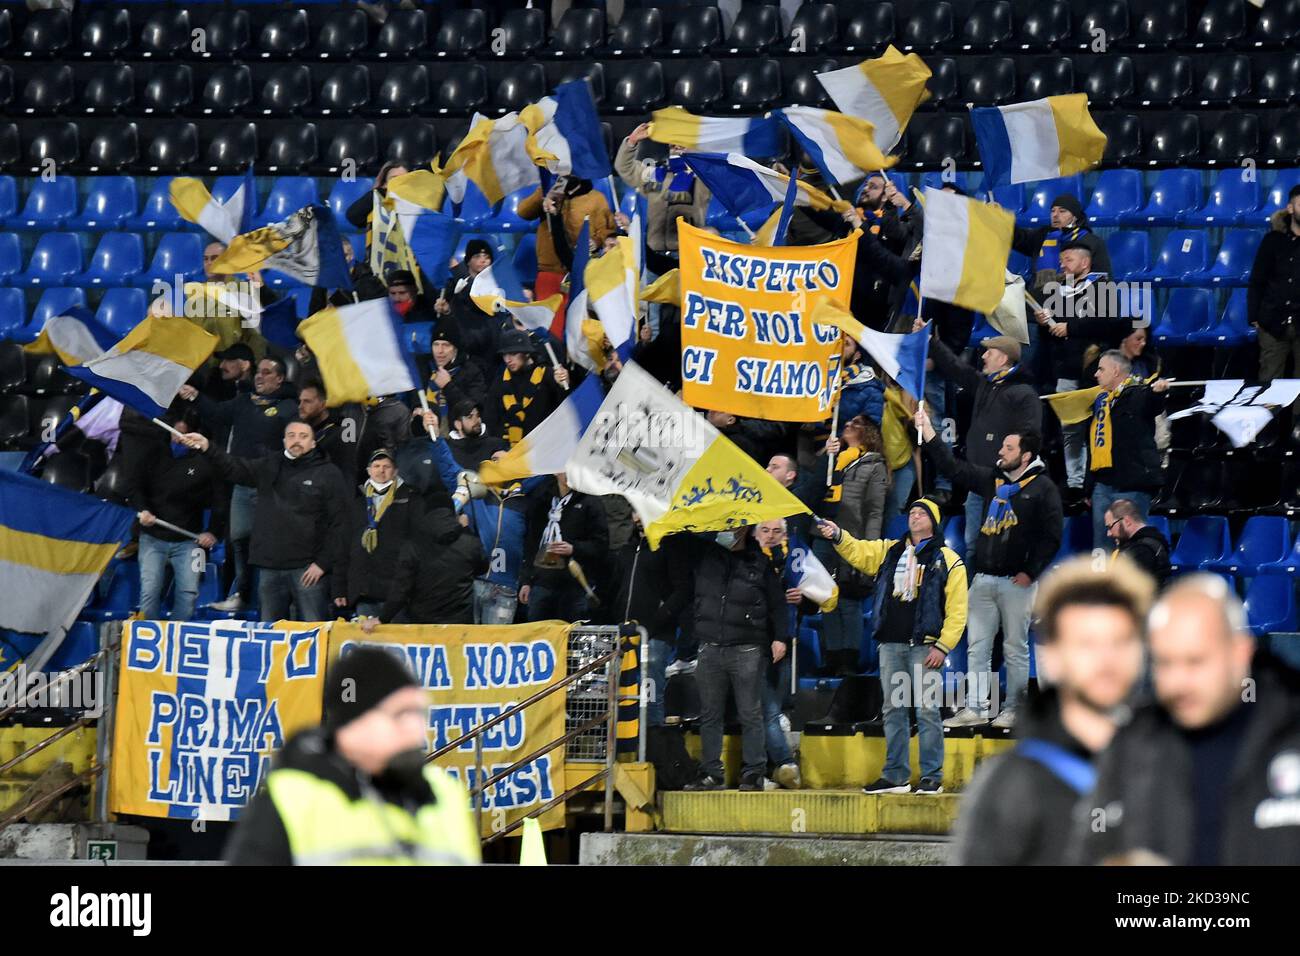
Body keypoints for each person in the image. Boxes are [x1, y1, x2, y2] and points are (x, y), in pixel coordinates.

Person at [1072, 575, 1300, 865]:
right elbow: (1089, 851)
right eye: (1165, 663)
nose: (1178, 683)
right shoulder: (1131, 746)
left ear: (1240, 653)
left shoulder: (1290, 732)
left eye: (1195, 661)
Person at [954, 554, 1154, 865]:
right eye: (1087, 643)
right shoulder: (1010, 786)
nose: (1106, 659)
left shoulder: (1170, 766)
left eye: (1120, 641)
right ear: (1053, 657)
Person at [225, 646, 480, 866]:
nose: (417, 729)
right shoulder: (292, 798)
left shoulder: (444, 792)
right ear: (354, 724)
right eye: (401, 714)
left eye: (420, 713)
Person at [917, 407, 1063, 730]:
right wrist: (928, 432)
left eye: (1009, 448)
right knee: (977, 647)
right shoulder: (991, 479)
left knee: (1015, 648)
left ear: (1025, 456)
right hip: (983, 578)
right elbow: (953, 469)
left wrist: (1030, 571)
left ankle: (1015, 709)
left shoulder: (1043, 488)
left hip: (1017, 582)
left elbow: (1052, 537)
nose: (1001, 451)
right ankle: (977, 708)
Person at [819, 498, 968, 794]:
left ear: (934, 521)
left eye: (921, 513)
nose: (914, 516)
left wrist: (943, 646)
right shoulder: (890, 550)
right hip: (890, 644)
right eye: (911, 512)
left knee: (927, 710)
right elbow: (860, 552)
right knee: (893, 709)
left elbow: (958, 609)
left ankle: (931, 776)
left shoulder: (948, 559)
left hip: (925, 647)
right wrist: (838, 535)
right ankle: (896, 775)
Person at [180, 420, 350, 622]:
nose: (297, 441)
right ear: (284, 440)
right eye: (292, 435)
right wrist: (208, 447)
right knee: (270, 637)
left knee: (314, 634)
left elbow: (341, 523)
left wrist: (323, 563)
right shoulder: (269, 464)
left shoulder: (329, 473)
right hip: (269, 569)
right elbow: (234, 468)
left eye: (303, 436)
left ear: (313, 443)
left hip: (307, 570)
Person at [181, 354, 299, 613]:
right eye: (258, 372)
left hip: (272, 486)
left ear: (280, 379)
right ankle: (243, 594)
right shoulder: (244, 401)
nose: (259, 375)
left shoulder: (289, 407)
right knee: (239, 539)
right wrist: (195, 396)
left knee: (271, 543)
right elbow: (216, 413)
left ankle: (281, 600)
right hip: (242, 484)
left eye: (267, 372)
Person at [676, 526, 790, 792]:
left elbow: (777, 604)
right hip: (710, 646)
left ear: (744, 530)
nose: (728, 530)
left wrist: (780, 637)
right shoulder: (705, 555)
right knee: (710, 714)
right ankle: (712, 774)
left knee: (750, 713)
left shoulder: (759, 562)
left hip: (748, 648)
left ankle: (753, 773)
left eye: (734, 525)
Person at [921, 328, 1041, 556]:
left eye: (989, 352)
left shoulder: (1024, 394)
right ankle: (972, 591)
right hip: (977, 483)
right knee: (973, 546)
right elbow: (957, 368)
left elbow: (1030, 438)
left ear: (1003, 358)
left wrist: (1011, 474)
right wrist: (931, 343)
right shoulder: (986, 385)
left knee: (998, 547)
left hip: (1006, 485)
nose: (983, 356)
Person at [132, 412, 223, 621]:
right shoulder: (153, 455)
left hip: (188, 541)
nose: (178, 438)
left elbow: (221, 501)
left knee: (188, 594)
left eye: (184, 434)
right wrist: (143, 510)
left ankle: (174, 641)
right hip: (152, 537)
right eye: (174, 433)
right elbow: (135, 488)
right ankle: (148, 639)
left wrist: (213, 532)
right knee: (149, 591)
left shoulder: (206, 463)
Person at [817, 416, 889, 676]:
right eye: (848, 422)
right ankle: (833, 657)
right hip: (824, 534)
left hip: (853, 538)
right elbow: (817, 485)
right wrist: (828, 455)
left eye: (855, 423)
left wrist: (868, 547)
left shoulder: (875, 465)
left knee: (848, 600)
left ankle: (849, 658)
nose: (847, 424)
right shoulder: (835, 457)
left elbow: (874, 510)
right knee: (826, 598)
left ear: (868, 432)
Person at [1086, 350, 1170, 548]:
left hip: (1132, 484)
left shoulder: (1139, 393)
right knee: (1102, 546)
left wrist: (1159, 392)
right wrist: (1089, 486)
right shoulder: (1100, 402)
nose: (1096, 374)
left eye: (1101, 369)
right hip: (1102, 484)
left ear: (1115, 371)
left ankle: (1128, 580)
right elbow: (1093, 445)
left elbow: (1153, 403)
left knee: (1130, 546)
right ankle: (1102, 580)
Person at [337, 449, 426, 620]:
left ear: (395, 471)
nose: (381, 470)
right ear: (369, 471)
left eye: (387, 466)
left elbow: (419, 544)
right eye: (376, 466)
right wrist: (339, 587)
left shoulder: (410, 498)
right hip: (364, 592)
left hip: (397, 593)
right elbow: (343, 547)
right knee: (368, 645)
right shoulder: (357, 502)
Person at [362, 508, 488, 626]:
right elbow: (482, 568)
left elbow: (401, 588)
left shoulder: (413, 546)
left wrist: (383, 618)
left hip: (422, 621)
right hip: (460, 622)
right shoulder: (470, 543)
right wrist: (465, 530)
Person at [518, 472, 608, 622]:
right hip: (542, 583)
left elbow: (601, 545)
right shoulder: (543, 500)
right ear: (554, 471)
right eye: (563, 469)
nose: (567, 473)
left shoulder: (590, 501)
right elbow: (531, 544)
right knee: (539, 637)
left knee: (571, 640)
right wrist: (526, 581)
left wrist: (574, 548)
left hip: (574, 585)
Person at [754, 518, 803, 789]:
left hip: (781, 642)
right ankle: (785, 763)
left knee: (771, 710)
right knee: (767, 710)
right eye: (765, 530)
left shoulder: (789, 563)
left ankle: (767, 768)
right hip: (751, 643)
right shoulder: (746, 562)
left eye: (776, 531)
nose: (770, 536)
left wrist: (802, 599)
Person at [615, 123, 710, 259]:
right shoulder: (656, 174)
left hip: (687, 253)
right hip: (653, 254)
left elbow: (717, 169)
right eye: (673, 144)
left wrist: (695, 154)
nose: (676, 147)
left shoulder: (702, 176)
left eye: (682, 143)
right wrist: (632, 141)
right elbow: (625, 168)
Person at [519, 175, 617, 301]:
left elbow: (607, 230)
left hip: (582, 270)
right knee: (552, 318)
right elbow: (523, 213)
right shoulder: (547, 192)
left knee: (579, 318)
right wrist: (544, 194)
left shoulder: (595, 198)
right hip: (549, 269)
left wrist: (597, 241)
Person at [1248, 183, 1300, 382]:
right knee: (1269, 380)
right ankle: (1269, 414)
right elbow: (1257, 279)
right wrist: (1254, 316)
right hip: (1272, 320)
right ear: (1290, 208)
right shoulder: (1272, 240)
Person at [486, 328, 569, 447]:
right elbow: (491, 420)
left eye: (513, 353)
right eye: (505, 355)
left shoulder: (547, 374)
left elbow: (563, 409)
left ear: (527, 353)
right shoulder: (500, 382)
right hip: (513, 452)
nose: (508, 360)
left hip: (547, 445)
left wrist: (561, 385)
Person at [298, 381, 360, 486]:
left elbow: (347, 475)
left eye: (307, 401)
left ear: (323, 405)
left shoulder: (342, 432)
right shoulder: (298, 429)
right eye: (300, 401)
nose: (300, 406)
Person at [422, 329, 487, 429]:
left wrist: (448, 386)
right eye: (436, 344)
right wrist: (417, 407)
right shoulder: (424, 368)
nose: (440, 351)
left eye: (446, 345)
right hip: (428, 431)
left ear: (456, 349)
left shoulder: (471, 372)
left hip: (458, 435)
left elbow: (473, 410)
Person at [1105, 498, 1171, 587]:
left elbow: (1128, 590)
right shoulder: (1138, 545)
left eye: (1110, 526)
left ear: (1127, 521)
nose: (1109, 533)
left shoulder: (1143, 550)